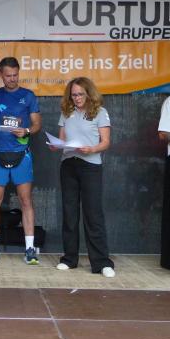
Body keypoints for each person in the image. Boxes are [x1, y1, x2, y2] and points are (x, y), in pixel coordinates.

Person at [0, 57, 42, 265]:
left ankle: (30, 249)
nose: (12, 79)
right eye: (8, 75)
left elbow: (37, 124)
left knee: (26, 200)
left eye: (15, 75)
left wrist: (27, 130)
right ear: (2, 75)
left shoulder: (28, 95)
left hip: (21, 153)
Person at [48, 78, 115, 278]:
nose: (77, 98)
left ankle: (101, 262)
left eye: (80, 94)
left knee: (93, 214)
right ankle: (69, 259)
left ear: (89, 94)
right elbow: (62, 140)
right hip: (68, 164)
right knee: (69, 213)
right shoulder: (66, 112)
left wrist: (91, 149)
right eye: (73, 95)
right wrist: (56, 145)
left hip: (90, 165)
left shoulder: (100, 112)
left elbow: (106, 142)